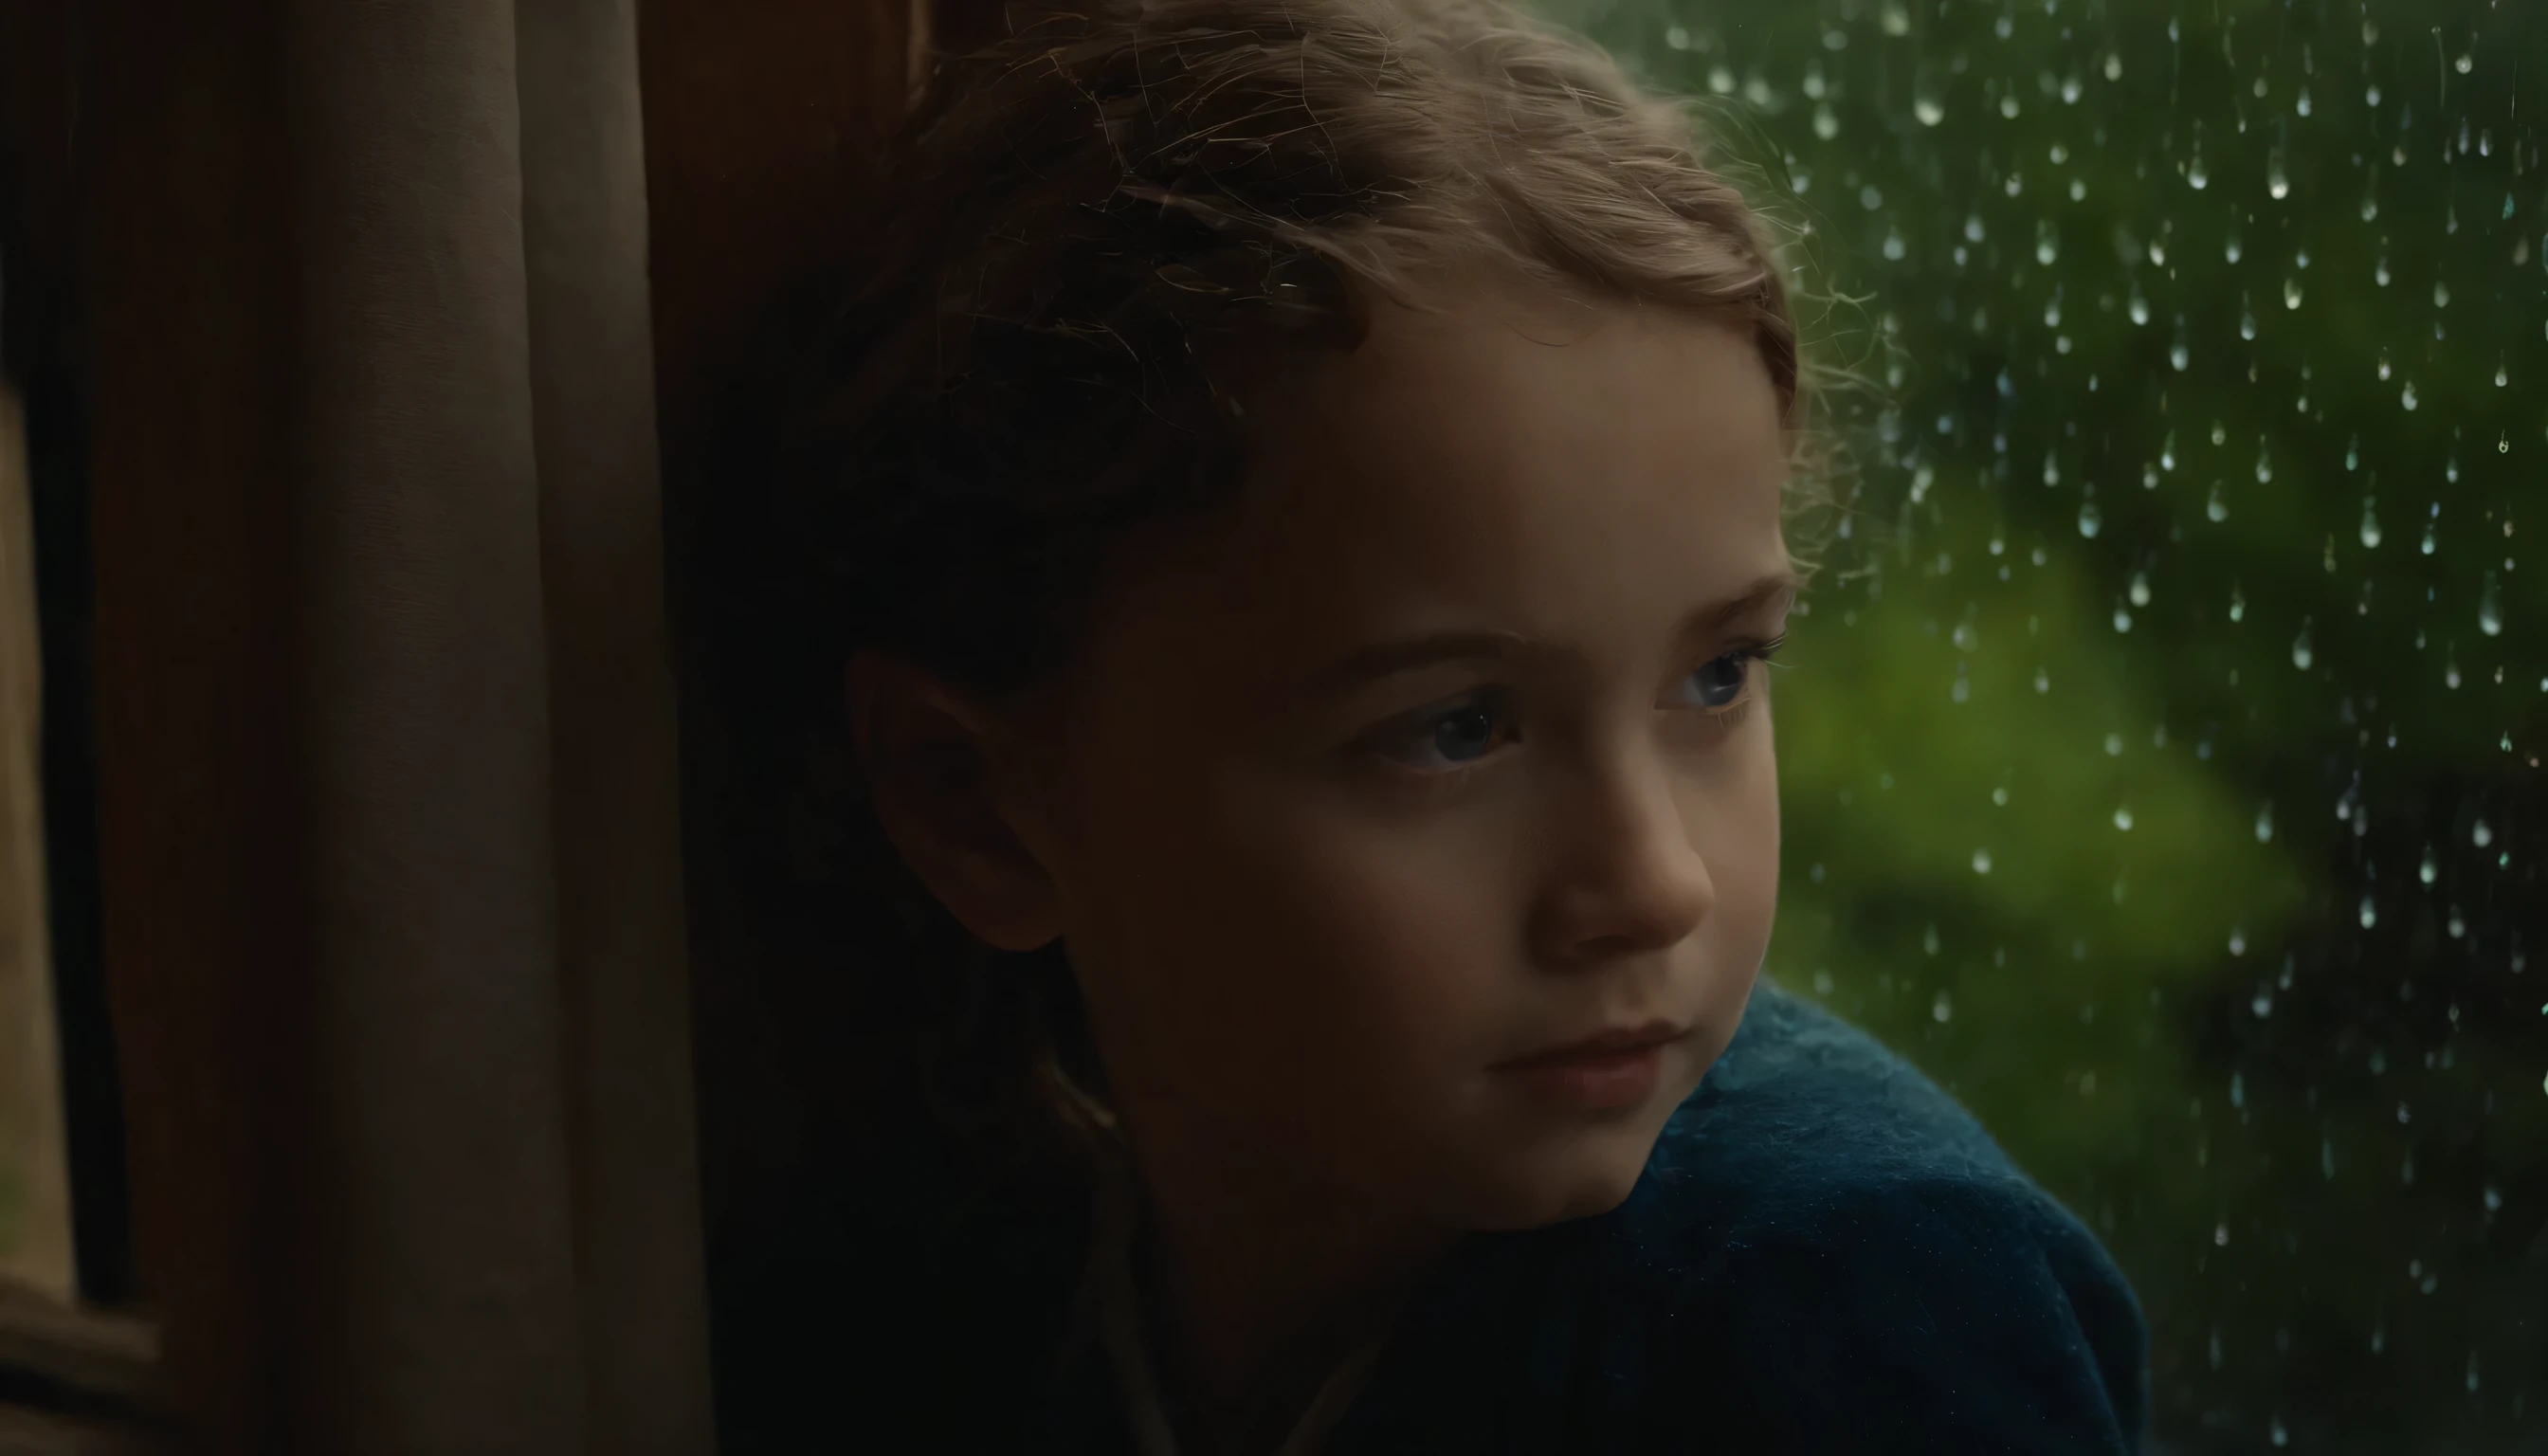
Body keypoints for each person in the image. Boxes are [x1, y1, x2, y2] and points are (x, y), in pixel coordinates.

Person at [710, 0, 2151, 1448]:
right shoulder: (948, 1282)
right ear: (976, 806)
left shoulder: (1844, 1311)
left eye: (1719, 676)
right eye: (1456, 728)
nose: (1655, 885)